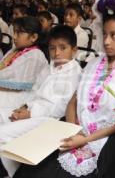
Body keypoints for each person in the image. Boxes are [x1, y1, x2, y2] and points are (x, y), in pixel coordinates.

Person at [13, 0, 115, 178]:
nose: (106, 41)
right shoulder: (95, 63)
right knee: (29, 169)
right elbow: (74, 100)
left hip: (102, 140)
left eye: (114, 35)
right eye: (104, 34)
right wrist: (72, 129)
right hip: (75, 130)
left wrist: (85, 139)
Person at [0, 25, 81, 177]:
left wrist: (30, 113)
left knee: (2, 134)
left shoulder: (74, 73)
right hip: (32, 110)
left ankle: (14, 172)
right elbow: (35, 92)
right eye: (52, 48)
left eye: (63, 48)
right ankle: (11, 165)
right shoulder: (50, 67)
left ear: (74, 50)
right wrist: (23, 108)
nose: (57, 53)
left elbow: (59, 108)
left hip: (48, 120)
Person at [0, 17, 48, 110]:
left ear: (34, 37)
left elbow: (19, 85)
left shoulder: (35, 55)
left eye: (19, 33)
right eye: (14, 32)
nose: (14, 36)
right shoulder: (15, 50)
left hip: (21, 97)